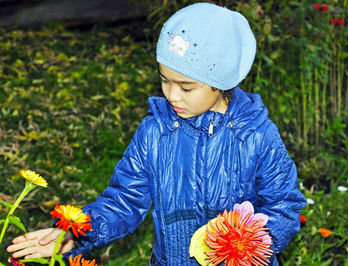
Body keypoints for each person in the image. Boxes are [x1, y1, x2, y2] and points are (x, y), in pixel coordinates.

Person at [7, 3, 306, 265]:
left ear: (220, 81)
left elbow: (285, 205)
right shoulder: (155, 133)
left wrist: (251, 245)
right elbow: (124, 199)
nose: (172, 95)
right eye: (165, 81)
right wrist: (75, 232)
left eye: (186, 87)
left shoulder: (255, 135)